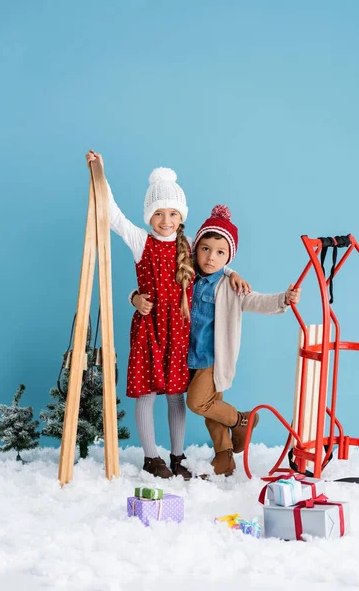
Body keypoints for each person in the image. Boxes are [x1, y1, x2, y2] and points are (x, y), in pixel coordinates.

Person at [85, 151, 249, 479]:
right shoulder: (141, 241)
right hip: (149, 331)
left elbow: (211, 256)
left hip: (178, 332)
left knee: (176, 396)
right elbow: (112, 215)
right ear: (149, 216)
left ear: (181, 215)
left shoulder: (187, 244)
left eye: (173, 213)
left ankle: (177, 456)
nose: (166, 220)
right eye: (159, 213)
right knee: (146, 395)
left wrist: (231, 271)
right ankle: (151, 457)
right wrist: (99, 172)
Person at [133, 204, 301, 476]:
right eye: (205, 249)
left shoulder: (230, 287)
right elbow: (158, 285)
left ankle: (241, 420)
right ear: (194, 249)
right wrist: (134, 297)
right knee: (213, 408)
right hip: (184, 356)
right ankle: (224, 458)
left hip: (212, 358)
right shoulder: (186, 275)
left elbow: (256, 300)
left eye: (220, 253)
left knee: (198, 402)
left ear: (228, 258)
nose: (211, 258)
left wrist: (283, 298)